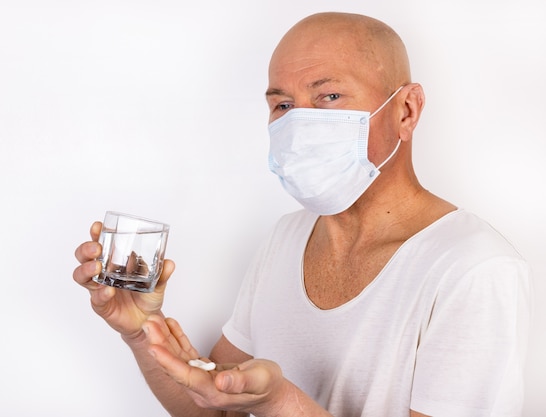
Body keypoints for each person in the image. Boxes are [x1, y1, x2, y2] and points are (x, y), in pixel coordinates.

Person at [73, 12, 532, 417]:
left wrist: (281, 405)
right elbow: (214, 410)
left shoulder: (475, 270)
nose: (298, 125)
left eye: (329, 96)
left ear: (407, 110)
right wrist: (142, 331)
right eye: (283, 106)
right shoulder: (287, 237)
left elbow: (266, 404)